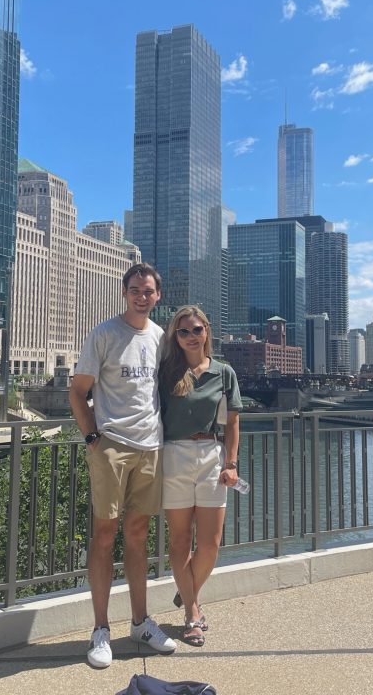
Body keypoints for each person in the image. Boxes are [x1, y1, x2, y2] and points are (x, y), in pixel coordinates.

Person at [69, 263, 178, 668]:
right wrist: (93, 439)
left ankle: (140, 622)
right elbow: (78, 392)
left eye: (148, 291)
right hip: (112, 445)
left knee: (138, 534)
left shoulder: (161, 338)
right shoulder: (104, 334)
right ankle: (100, 629)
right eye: (134, 289)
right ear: (124, 292)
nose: (141, 296)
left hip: (151, 447)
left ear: (157, 296)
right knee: (103, 534)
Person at [158, 305, 242, 646]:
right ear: (174, 337)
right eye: (183, 331)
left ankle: (186, 586)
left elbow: (233, 422)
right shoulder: (165, 372)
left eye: (196, 330)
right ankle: (192, 611)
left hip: (210, 455)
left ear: (207, 331)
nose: (191, 336)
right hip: (173, 456)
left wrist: (231, 463)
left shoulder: (224, 373)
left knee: (210, 543)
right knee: (180, 540)